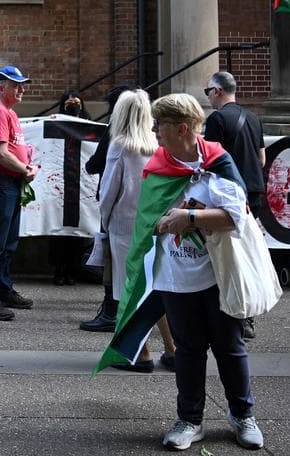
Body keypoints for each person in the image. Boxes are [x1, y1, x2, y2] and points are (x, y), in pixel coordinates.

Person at [147, 93, 262, 451]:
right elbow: (145, 222)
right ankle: (189, 420)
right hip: (176, 277)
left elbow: (237, 216)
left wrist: (189, 217)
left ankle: (243, 416)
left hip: (217, 274)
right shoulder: (156, 165)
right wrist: (161, 223)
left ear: (182, 128)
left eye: (161, 125)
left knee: (230, 347)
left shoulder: (218, 160)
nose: (156, 132)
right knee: (188, 350)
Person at [96, 89, 176, 372]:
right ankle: (172, 348)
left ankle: (140, 353)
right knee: (154, 289)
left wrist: (103, 222)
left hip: (123, 224)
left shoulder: (120, 146)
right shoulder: (158, 147)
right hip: (153, 226)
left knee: (127, 289)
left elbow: (108, 192)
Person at [203, 71, 266, 339]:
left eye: (208, 92)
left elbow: (209, 161)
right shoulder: (253, 118)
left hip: (229, 196)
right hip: (254, 193)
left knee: (223, 256)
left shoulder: (217, 119)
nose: (208, 98)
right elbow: (261, 159)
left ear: (217, 91)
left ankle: (225, 313)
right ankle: (246, 317)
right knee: (246, 255)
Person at [0, 65, 38, 320]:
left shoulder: (6, 112)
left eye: (22, 84)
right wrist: (25, 168)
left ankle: (1, 291)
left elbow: (8, 149)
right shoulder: (0, 112)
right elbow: (1, 154)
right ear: (2, 88)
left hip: (5, 183)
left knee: (7, 243)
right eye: (16, 85)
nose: (21, 89)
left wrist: (25, 163)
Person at [79, 84, 133, 330]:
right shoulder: (148, 132)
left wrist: (105, 211)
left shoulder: (117, 133)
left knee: (111, 261)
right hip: (139, 208)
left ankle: (110, 311)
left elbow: (98, 163)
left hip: (117, 209)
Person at [48, 91, 87, 285]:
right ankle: (59, 269)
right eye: (69, 103)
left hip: (79, 186)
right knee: (58, 232)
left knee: (77, 232)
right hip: (59, 185)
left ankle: (72, 269)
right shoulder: (55, 123)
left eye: (76, 102)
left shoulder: (89, 125)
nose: (72, 105)